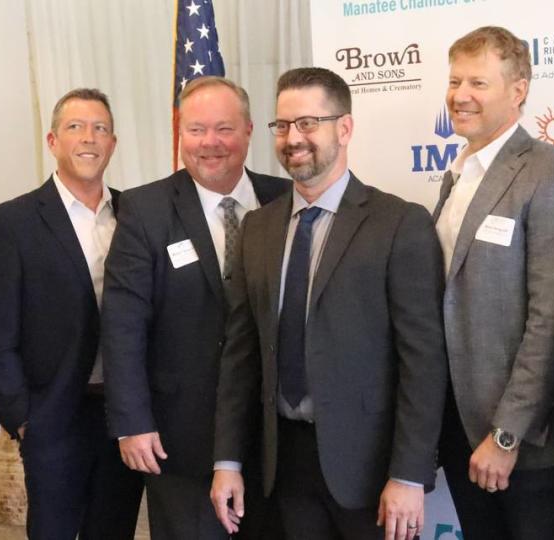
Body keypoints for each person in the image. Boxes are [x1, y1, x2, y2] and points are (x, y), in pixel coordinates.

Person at [210, 67, 448, 540]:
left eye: (308, 123)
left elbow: (422, 361)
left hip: (371, 471)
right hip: (283, 464)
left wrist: (407, 474)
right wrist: (227, 460)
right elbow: (241, 354)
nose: (293, 138)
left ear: (345, 128)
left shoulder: (399, 224)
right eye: (282, 125)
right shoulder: (258, 229)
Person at [101, 76, 290, 540]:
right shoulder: (145, 209)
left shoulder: (286, 199)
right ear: (179, 134)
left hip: (274, 435)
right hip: (180, 435)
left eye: (224, 129)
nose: (210, 143)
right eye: (196, 129)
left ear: (248, 131)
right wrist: (132, 421)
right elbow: (123, 323)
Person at [432, 26, 554, 540]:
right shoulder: (458, 173)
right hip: (460, 429)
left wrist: (507, 436)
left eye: (479, 83)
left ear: (519, 90)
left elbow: (553, 320)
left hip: (524, 444)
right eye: (455, 80)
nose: (461, 95)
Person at [0, 88, 144, 540]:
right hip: (53, 415)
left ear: (113, 143)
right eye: (75, 127)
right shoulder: (16, 221)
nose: (89, 138)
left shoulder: (137, 214)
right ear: (53, 141)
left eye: (100, 128)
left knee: (114, 529)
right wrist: (22, 416)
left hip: (122, 414)